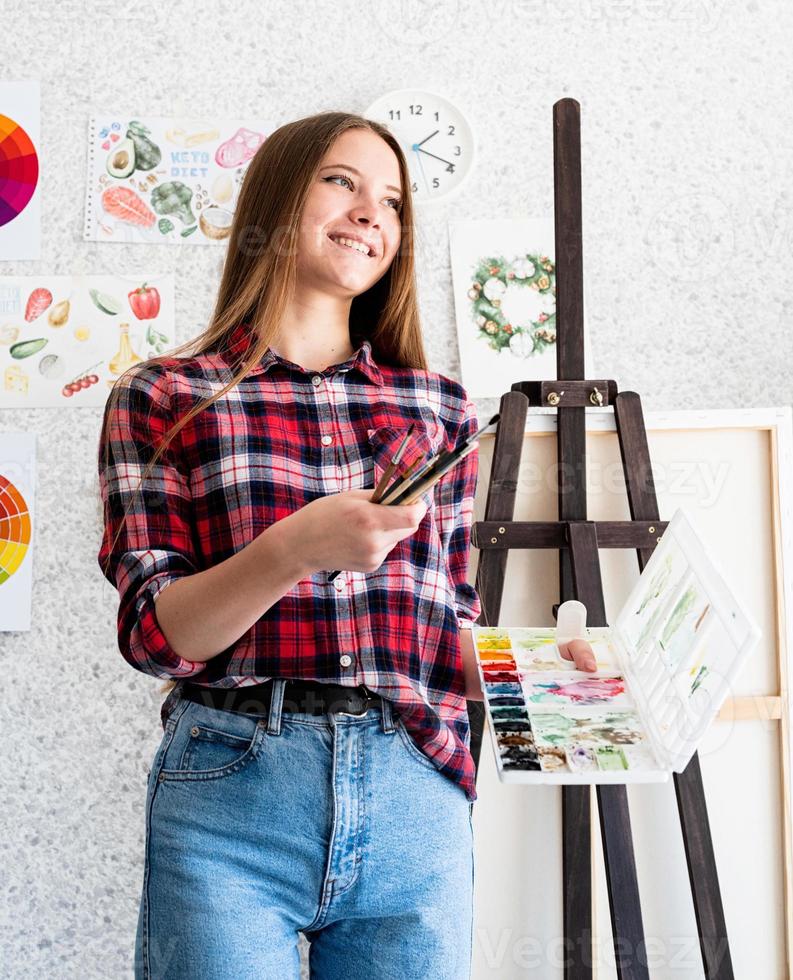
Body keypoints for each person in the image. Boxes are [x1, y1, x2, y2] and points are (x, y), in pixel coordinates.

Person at [97, 110, 597, 980]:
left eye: (393, 201)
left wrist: (548, 668)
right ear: (276, 198)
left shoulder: (436, 409)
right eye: (341, 181)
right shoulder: (165, 396)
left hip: (415, 790)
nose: (371, 211)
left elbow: (440, 636)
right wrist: (291, 549)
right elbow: (156, 636)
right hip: (231, 791)